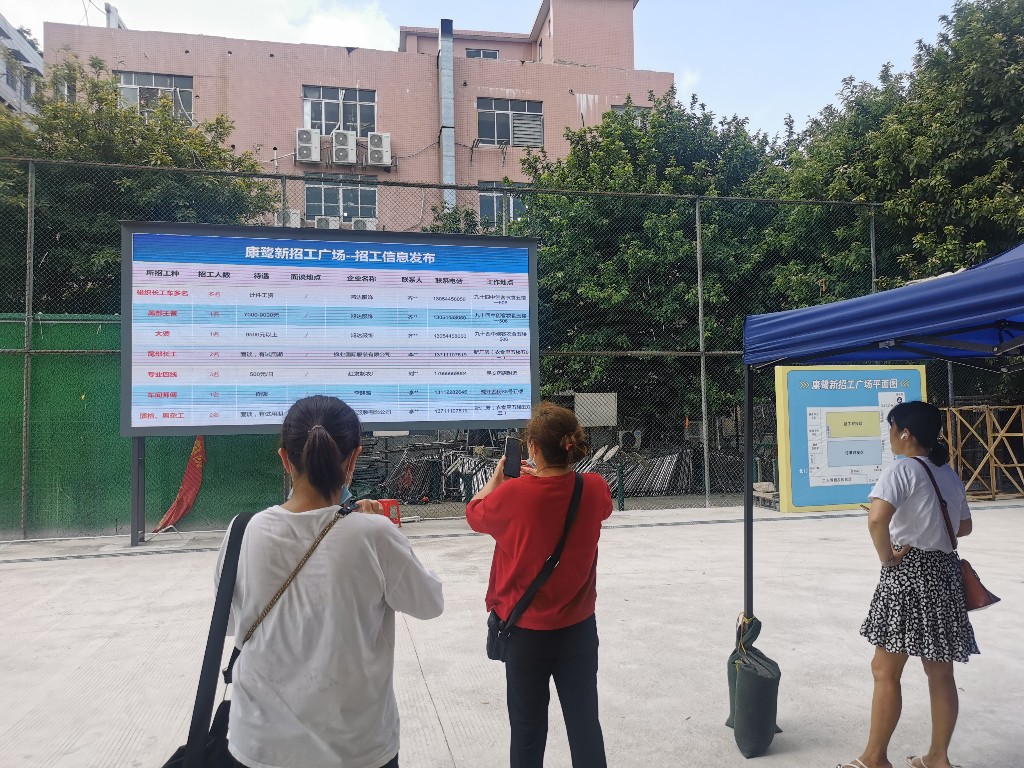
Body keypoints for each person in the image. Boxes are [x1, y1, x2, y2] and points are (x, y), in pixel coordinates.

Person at [215, 395, 444, 768]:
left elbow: (228, 624)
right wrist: (388, 533)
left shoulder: (242, 532)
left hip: (259, 747)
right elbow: (430, 603)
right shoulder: (375, 535)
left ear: (285, 459)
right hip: (358, 751)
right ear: (354, 459)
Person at [466, 401, 613, 768]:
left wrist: (497, 481)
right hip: (579, 630)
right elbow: (594, 506)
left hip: (525, 636)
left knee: (528, 732)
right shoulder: (594, 488)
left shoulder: (512, 495)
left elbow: (474, 513)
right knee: (584, 725)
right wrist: (543, 477)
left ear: (532, 448)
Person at [839, 401, 978, 768]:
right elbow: (964, 527)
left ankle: (874, 759)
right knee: (940, 673)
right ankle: (938, 758)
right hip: (945, 575)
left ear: (905, 433)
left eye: (891, 428)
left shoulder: (901, 470)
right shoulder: (947, 473)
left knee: (885, 670)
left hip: (909, 573)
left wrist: (888, 557)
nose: (889, 436)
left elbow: (876, 520)